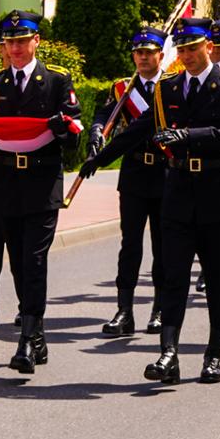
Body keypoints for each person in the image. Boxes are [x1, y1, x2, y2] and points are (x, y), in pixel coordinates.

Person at [84, 17, 220, 384]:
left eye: (194, 48)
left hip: (217, 192)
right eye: (183, 49)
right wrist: (98, 159)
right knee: (173, 275)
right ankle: (169, 353)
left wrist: (189, 135)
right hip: (178, 192)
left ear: (209, 46)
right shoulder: (169, 88)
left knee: (219, 279)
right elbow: (139, 130)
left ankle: (213, 353)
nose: (188, 55)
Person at [0, 10, 80, 373]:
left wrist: (63, 128)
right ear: (4, 47)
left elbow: (72, 138)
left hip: (41, 182)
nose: (17, 48)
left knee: (34, 260)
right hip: (5, 183)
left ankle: (25, 339)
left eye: (23, 40)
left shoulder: (55, 80)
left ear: (36, 41)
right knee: (19, 260)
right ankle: (37, 335)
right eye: (11, 42)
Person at [92, 27, 169, 336]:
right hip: (135, 173)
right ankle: (124, 310)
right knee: (130, 246)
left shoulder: (172, 85)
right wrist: (97, 130)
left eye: (148, 52)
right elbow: (105, 114)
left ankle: (161, 308)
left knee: (163, 247)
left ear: (160, 55)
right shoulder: (123, 88)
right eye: (138, 52)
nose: (143, 57)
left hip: (166, 172)